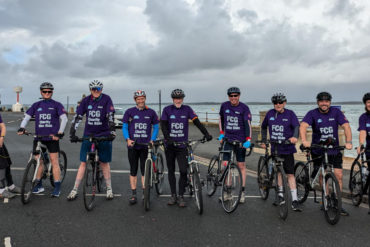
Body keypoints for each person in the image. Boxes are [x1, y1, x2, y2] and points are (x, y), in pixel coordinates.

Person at [300, 92, 352, 216]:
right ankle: (326, 198)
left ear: (330, 102)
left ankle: (337, 203)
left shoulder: (336, 113)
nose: (324, 103)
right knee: (322, 174)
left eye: (327, 101)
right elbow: (303, 126)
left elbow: (346, 127)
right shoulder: (312, 113)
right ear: (318, 102)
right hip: (318, 149)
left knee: (338, 175)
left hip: (334, 150)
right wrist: (304, 140)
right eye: (322, 101)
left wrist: (349, 141)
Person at [161, 89, 212, 207]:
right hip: (170, 145)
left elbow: (197, 122)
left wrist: (206, 134)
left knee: (183, 170)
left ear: (183, 99)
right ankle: (173, 195)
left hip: (182, 145)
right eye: (176, 98)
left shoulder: (187, 109)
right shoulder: (167, 110)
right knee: (171, 170)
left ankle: (181, 195)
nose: (178, 100)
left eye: (180, 98)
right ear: (172, 99)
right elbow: (163, 125)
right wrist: (168, 138)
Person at [67, 80, 116, 200]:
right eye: (93, 89)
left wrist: (112, 130)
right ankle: (75, 189)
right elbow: (78, 116)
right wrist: (72, 131)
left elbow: (110, 115)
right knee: (83, 162)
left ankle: (109, 188)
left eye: (98, 89)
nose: (95, 91)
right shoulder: (86, 100)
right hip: (89, 134)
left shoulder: (106, 99)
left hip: (104, 134)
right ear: (90, 90)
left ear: (101, 89)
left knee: (104, 163)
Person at [17, 82, 68, 197]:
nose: (47, 93)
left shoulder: (57, 105)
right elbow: (27, 117)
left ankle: (57, 187)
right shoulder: (36, 105)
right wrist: (22, 127)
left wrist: (59, 133)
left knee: (54, 161)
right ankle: (39, 185)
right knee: (38, 161)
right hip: (39, 137)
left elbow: (64, 119)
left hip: (52, 138)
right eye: (44, 91)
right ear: (41, 92)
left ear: (52, 92)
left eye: (49, 91)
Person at [260, 93, 302, 211]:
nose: (278, 105)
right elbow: (263, 127)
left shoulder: (290, 114)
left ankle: (294, 199)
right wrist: (264, 140)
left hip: (287, 148)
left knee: (290, 174)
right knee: (278, 172)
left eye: (280, 102)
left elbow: (296, 127)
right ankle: (280, 195)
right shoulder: (270, 114)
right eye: (275, 103)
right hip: (275, 148)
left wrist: (294, 137)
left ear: (284, 103)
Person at [122, 90, 159, 204]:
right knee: (133, 170)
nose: (141, 100)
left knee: (144, 171)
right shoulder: (129, 112)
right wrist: (128, 139)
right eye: (138, 99)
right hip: (133, 146)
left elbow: (156, 127)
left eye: (142, 98)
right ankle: (133, 194)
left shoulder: (151, 112)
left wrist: (152, 140)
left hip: (145, 146)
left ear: (145, 99)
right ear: (135, 100)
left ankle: (144, 193)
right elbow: (124, 127)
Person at [218, 87, 252, 204]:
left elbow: (247, 124)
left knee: (241, 165)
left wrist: (248, 139)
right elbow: (221, 120)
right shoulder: (224, 106)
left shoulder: (244, 108)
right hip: (228, 139)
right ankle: (228, 191)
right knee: (225, 165)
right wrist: (222, 133)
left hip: (240, 141)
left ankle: (242, 192)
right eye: (231, 96)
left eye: (235, 95)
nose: (233, 98)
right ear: (228, 97)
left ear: (239, 96)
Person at [0, 113, 19, 199]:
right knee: (1, 166)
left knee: (7, 163)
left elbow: (3, 126)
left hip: (0, 143)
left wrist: (1, 137)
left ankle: (11, 186)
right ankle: (1, 190)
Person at [357, 92, 370, 214]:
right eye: (368, 102)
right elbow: (362, 132)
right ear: (365, 104)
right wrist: (361, 144)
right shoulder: (364, 117)